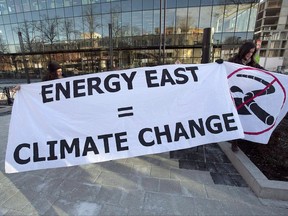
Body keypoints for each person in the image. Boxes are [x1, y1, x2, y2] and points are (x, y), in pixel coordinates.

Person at [228, 41, 265, 152]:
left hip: (245, 95)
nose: (249, 54)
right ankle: (233, 140)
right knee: (234, 117)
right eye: (248, 52)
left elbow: (264, 72)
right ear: (243, 50)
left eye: (252, 53)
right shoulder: (232, 61)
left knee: (242, 118)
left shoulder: (253, 64)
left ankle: (238, 141)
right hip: (233, 94)